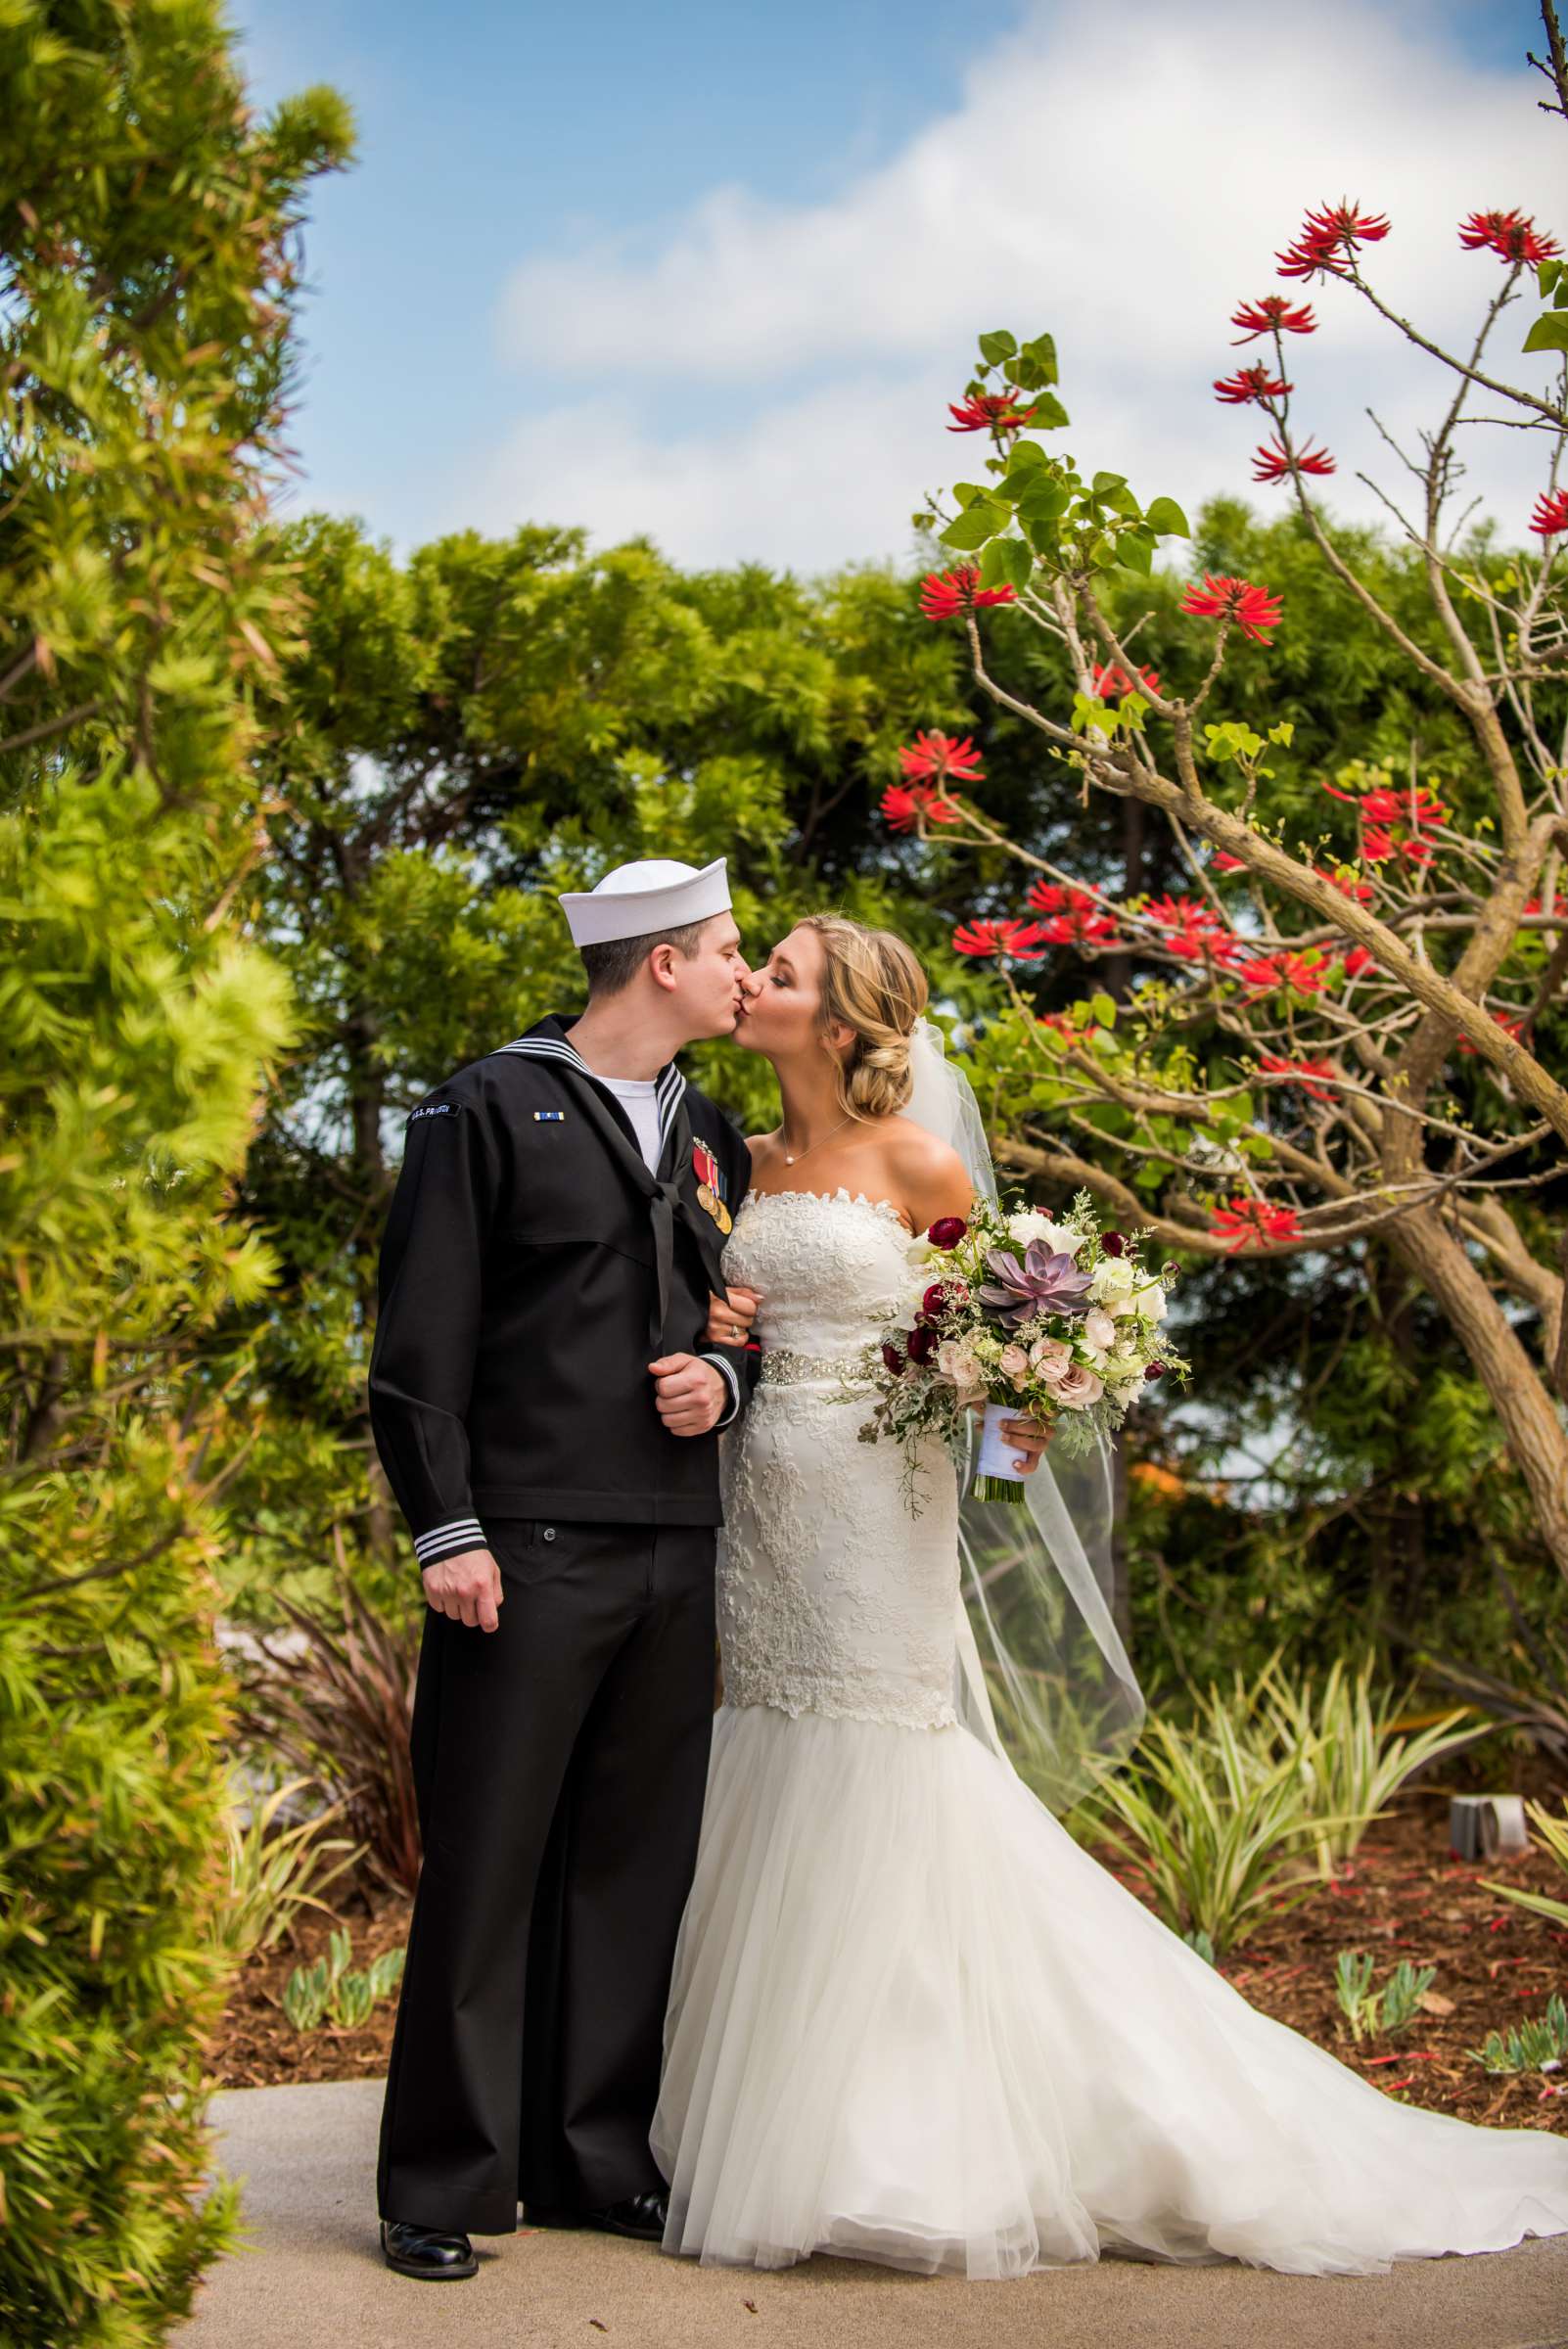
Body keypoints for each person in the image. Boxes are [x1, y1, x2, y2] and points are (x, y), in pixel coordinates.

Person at [650, 911, 1568, 2279]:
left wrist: (1012, 1410)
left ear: (837, 1024)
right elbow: (731, 1313)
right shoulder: (739, 1156)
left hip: (877, 1509)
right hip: (760, 1498)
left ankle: (901, 2139)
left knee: (876, 1760)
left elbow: (1004, 1339)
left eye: (776, 975)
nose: (752, 986)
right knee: (774, 1739)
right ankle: (761, 2105)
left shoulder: (916, 1158)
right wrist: (725, 1335)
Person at [366, 855, 759, 2281]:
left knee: (628, 1868)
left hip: (676, 1542)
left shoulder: (712, 1126)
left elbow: (737, 1318)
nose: (742, 972)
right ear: (659, 963)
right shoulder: (483, 1104)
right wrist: (447, 1527)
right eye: (726, 949)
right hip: (521, 1550)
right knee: (486, 1864)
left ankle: (593, 2161)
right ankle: (439, 2181)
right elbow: (417, 1340)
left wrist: (724, 1375)